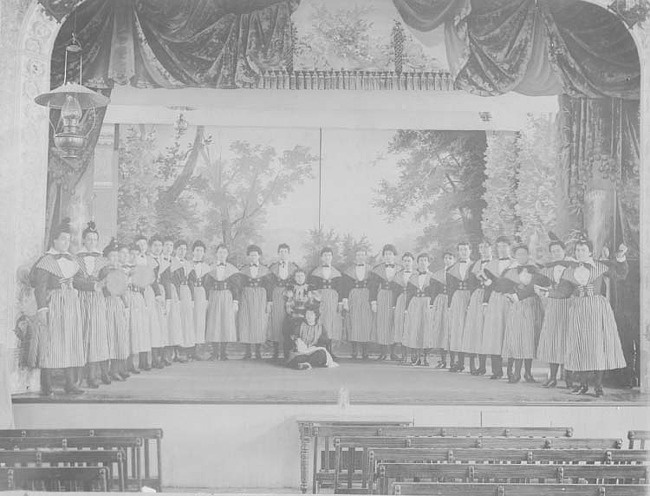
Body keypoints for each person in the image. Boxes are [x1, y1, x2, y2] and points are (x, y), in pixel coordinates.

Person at [544, 239, 628, 397]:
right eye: (577, 250)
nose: (579, 253)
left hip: (597, 309)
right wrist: (547, 293)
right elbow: (563, 292)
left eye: (583, 250)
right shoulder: (569, 270)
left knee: (596, 347)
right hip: (578, 310)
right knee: (580, 346)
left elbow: (620, 275)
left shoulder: (599, 266)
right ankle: (582, 385)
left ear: (590, 252)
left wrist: (621, 257)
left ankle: (598, 386)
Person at [30, 218, 91, 395]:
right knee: (51, 343)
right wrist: (42, 309)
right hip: (54, 304)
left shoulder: (72, 260)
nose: (66, 242)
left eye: (68, 239)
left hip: (71, 305)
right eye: (62, 239)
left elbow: (78, 281)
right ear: (54, 241)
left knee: (70, 341)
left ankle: (70, 383)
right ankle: (47, 385)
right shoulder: (46, 261)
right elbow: (40, 287)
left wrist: (95, 286)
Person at [499, 244, 544, 384]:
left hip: (531, 305)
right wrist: (512, 292)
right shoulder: (510, 271)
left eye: (524, 254)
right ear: (515, 256)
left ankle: (528, 373)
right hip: (517, 306)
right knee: (518, 338)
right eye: (519, 254)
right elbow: (502, 286)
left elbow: (538, 285)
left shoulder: (536, 270)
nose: (522, 256)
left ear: (528, 255)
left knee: (529, 338)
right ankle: (516, 373)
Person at [534, 239, 573, 388]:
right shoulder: (548, 269)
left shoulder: (572, 266)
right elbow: (538, 282)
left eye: (558, 250)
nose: (556, 253)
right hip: (554, 306)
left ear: (564, 251)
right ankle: (553, 377)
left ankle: (569, 379)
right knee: (553, 340)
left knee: (566, 340)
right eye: (553, 251)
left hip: (569, 305)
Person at [77, 221, 111, 388]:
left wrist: (108, 281)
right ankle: (78, 376)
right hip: (81, 299)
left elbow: (108, 279)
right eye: (88, 239)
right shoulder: (75, 258)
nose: (91, 242)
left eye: (94, 239)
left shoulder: (103, 260)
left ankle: (92, 376)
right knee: (82, 335)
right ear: (83, 240)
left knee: (96, 337)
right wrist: (91, 285)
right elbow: (74, 280)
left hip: (97, 301)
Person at [481, 236, 514, 379]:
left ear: (509, 247)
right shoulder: (490, 265)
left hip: (510, 299)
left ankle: (511, 371)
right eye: (499, 246)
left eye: (504, 246)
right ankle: (496, 370)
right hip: (495, 300)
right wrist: (485, 303)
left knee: (510, 332)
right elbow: (487, 287)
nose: (502, 249)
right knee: (495, 334)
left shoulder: (515, 264)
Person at [402, 253, 442, 366]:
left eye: (425, 260)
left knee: (426, 329)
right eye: (420, 260)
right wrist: (406, 308)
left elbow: (435, 292)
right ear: (417, 263)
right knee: (415, 329)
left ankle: (425, 357)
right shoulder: (413, 277)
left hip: (427, 303)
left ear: (428, 263)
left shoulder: (433, 276)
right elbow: (409, 293)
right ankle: (417, 356)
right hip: (415, 303)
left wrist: (433, 304)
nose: (423, 263)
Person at [459, 241, 492, 375]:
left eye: (486, 247)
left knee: (486, 331)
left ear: (491, 248)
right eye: (481, 247)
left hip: (491, 298)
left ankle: (485, 365)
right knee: (474, 330)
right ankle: (474, 365)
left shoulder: (495, 264)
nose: (483, 249)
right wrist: (475, 295)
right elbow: (471, 284)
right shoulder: (474, 265)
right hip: (477, 297)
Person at [99, 238, 130, 381]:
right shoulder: (103, 271)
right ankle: (104, 372)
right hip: (106, 304)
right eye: (112, 256)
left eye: (116, 256)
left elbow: (123, 289)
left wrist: (126, 304)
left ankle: (115, 370)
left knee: (118, 337)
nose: (115, 259)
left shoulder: (120, 270)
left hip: (117, 304)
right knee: (107, 338)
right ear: (106, 258)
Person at [204, 244, 239, 360]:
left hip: (226, 296)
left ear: (227, 254)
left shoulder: (232, 269)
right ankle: (214, 353)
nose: (222, 254)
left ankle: (223, 353)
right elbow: (206, 285)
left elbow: (236, 287)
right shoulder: (210, 268)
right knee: (214, 322)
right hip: (214, 295)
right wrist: (206, 300)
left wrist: (235, 301)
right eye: (220, 252)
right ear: (216, 254)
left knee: (225, 323)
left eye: (224, 252)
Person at [238, 245, 273, 360]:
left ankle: (258, 351)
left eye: (255, 255)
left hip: (260, 296)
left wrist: (269, 301)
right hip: (246, 295)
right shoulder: (243, 269)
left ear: (259, 256)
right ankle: (247, 351)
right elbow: (239, 286)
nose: (253, 257)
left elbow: (269, 287)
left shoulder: (265, 270)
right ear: (248, 256)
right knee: (246, 321)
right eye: (251, 255)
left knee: (259, 322)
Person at [308, 247, 343, 359]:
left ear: (332, 257)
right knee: (320, 321)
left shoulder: (337, 273)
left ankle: (330, 349)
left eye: (329, 255)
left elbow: (340, 289)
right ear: (321, 257)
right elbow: (311, 288)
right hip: (320, 298)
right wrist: (314, 300)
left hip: (333, 299)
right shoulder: (314, 272)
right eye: (325, 255)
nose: (327, 257)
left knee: (331, 323)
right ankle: (320, 349)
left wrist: (340, 302)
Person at [267, 244, 300, 359]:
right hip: (276, 293)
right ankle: (276, 351)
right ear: (278, 253)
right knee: (276, 320)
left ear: (288, 253)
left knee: (290, 320)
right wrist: (270, 300)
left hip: (290, 294)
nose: (283, 254)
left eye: (285, 251)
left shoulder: (294, 267)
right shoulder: (272, 267)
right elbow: (269, 284)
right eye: (281, 251)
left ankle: (289, 350)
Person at [370, 244, 401, 361]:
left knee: (393, 323)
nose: (388, 256)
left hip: (396, 297)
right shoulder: (377, 269)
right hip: (382, 296)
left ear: (394, 256)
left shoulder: (400, 269)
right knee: (382, 323)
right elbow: (372, 287)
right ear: (383, 256)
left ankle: (393, 352)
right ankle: (383, 352)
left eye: (390, 254)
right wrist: (373, 302)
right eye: (386, 254)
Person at [342, 247, 374, 359]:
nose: (360, 257)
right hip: (353, 295)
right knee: (353, 321)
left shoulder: (371, 270)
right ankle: (354, 350)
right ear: (355, 257)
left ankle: (365, 351)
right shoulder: (348, 271)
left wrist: (373, 301)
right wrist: (345, 300)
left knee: (366, 322)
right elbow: (345, 286)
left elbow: (374, 286)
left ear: (366, 256)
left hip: (366, 295)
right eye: (358, 255)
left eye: (362, 255)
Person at [122, 243, 148, 374]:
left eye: (136, 255)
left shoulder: (140, 268)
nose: (134, 257)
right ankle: (125, 363)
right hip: (127, 295)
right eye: (131, 254)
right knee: (127, 329)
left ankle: (133, 362)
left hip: (137, 297)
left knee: (136, 329)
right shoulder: (123, 267)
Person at [447, 242, 473, 373]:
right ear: (458, 252)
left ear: (470, 251)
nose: (463, 252)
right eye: (461, 250)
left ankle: (473, 364)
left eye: (466, 249)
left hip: (471, 296)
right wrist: (449, 305)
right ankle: (460, 362)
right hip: (457, 297)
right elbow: (450, 288)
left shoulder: (475, 266)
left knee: (471, 328)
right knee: (458, 329)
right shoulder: (452, 268)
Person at [283, 269, 315, 358]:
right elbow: (288, 303)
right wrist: (292, 312)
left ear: (305, 277)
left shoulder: (310, 288)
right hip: (293, 314)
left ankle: (307, 355)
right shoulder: (290, 288)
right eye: (297, 276)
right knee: (289, 331)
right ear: (294, 278)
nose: (300, 278)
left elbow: (312, 304)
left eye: (302, 276)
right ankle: (290, 355)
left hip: (306, 314)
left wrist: (307, 313)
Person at [171, 240, 195, 361]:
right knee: (176, 320)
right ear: (175, 250)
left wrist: (192, 298)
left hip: (186, 292)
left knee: (186, 321)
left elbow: (191, 280)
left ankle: (185, 350)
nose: (182, 251)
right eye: (180, 248)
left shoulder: (188, 264)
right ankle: (175, 351)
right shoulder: (171, 262)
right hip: (176, 290)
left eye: (184, 249)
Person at [431, 252, 455, 368]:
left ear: (454, 259)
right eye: (445, 258)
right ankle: (443, 360)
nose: (448, 260)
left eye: (450, 258)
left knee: (451, 329)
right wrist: (432, 305)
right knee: (441, 329)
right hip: (440, 302)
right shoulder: (438, 274)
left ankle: (454, 360)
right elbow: (434, 291)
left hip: (453, 301)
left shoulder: (457, 273)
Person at [161, 236, 182, 363]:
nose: (169, 248)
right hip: (162, 292)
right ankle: (163, 354)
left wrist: (178, 297)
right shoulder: (158, 261)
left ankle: (173, 351)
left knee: (173, 323)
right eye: (166, 245)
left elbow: (178, 281)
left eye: (171, 245)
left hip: (173, 293)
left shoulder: (176, 263)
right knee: (163, 322)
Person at [148, 236, 167, 368]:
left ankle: (161, 356)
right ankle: (154, 358)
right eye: (155, 245)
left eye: (160, 245)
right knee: (153, 325)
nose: (158, 248)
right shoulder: (147, 260)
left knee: (161, 325)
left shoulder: (164, 260)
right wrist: (157, 294)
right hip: (151, 292)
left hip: (161, 291)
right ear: (150, 246)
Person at [188, 241, 210, 358]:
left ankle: (197, 350)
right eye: (197, 250)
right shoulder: (187, 264)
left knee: (200, 320)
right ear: (192, 252)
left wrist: (207, 298)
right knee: (190, 319)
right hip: (190, 292)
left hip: (201, 292)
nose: (199, 253)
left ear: (204, 253)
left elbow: (208, 284)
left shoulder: (207, 267)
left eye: (201, 251)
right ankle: (188, 350)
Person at [393, 252, 415, 364]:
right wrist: (393, 305)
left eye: (409, 261)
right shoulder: (398, 275)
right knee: (401, 326)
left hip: (413, 301)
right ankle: (403, 355)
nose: (407, 263)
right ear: (402, 262)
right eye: (405, 261)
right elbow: (395, 291)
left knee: (412, 325)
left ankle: (413, 355)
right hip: (401, 300)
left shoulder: (416, 274)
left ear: (413, 262)